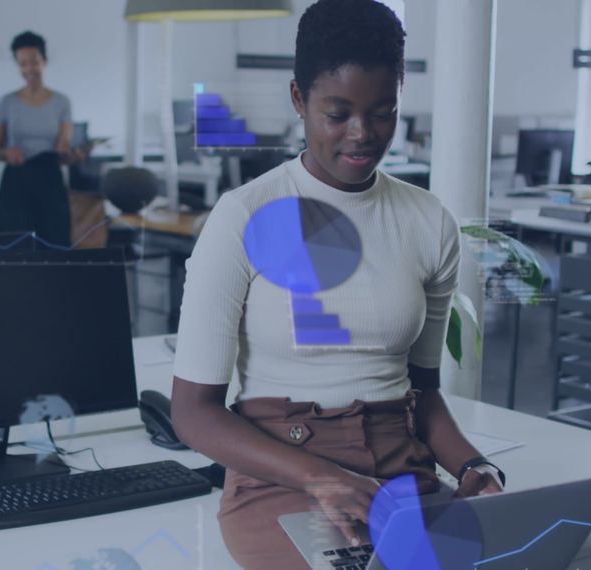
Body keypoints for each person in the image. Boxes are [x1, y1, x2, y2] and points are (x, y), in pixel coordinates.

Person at [169, 1, 505, 568]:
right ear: (299, 99)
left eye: (382, 112)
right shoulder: (244, 215)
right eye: (338, 112)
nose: (362, 134)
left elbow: (422, 395)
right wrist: (321, 476)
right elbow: (194, 412)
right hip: (281, 475)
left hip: (401, 475)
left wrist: (475, 468)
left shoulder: (427, 220)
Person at [0, 30, 84, 247]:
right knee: (16, 246)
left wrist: (74, 157)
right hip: (16, 182)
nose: (29, 69)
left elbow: (63, 151)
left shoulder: (62, 102)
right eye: (22, 63)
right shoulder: (7, 102)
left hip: (49, 180)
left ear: (44, 61)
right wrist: (7, 153)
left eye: (34, 62)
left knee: (54, 243)